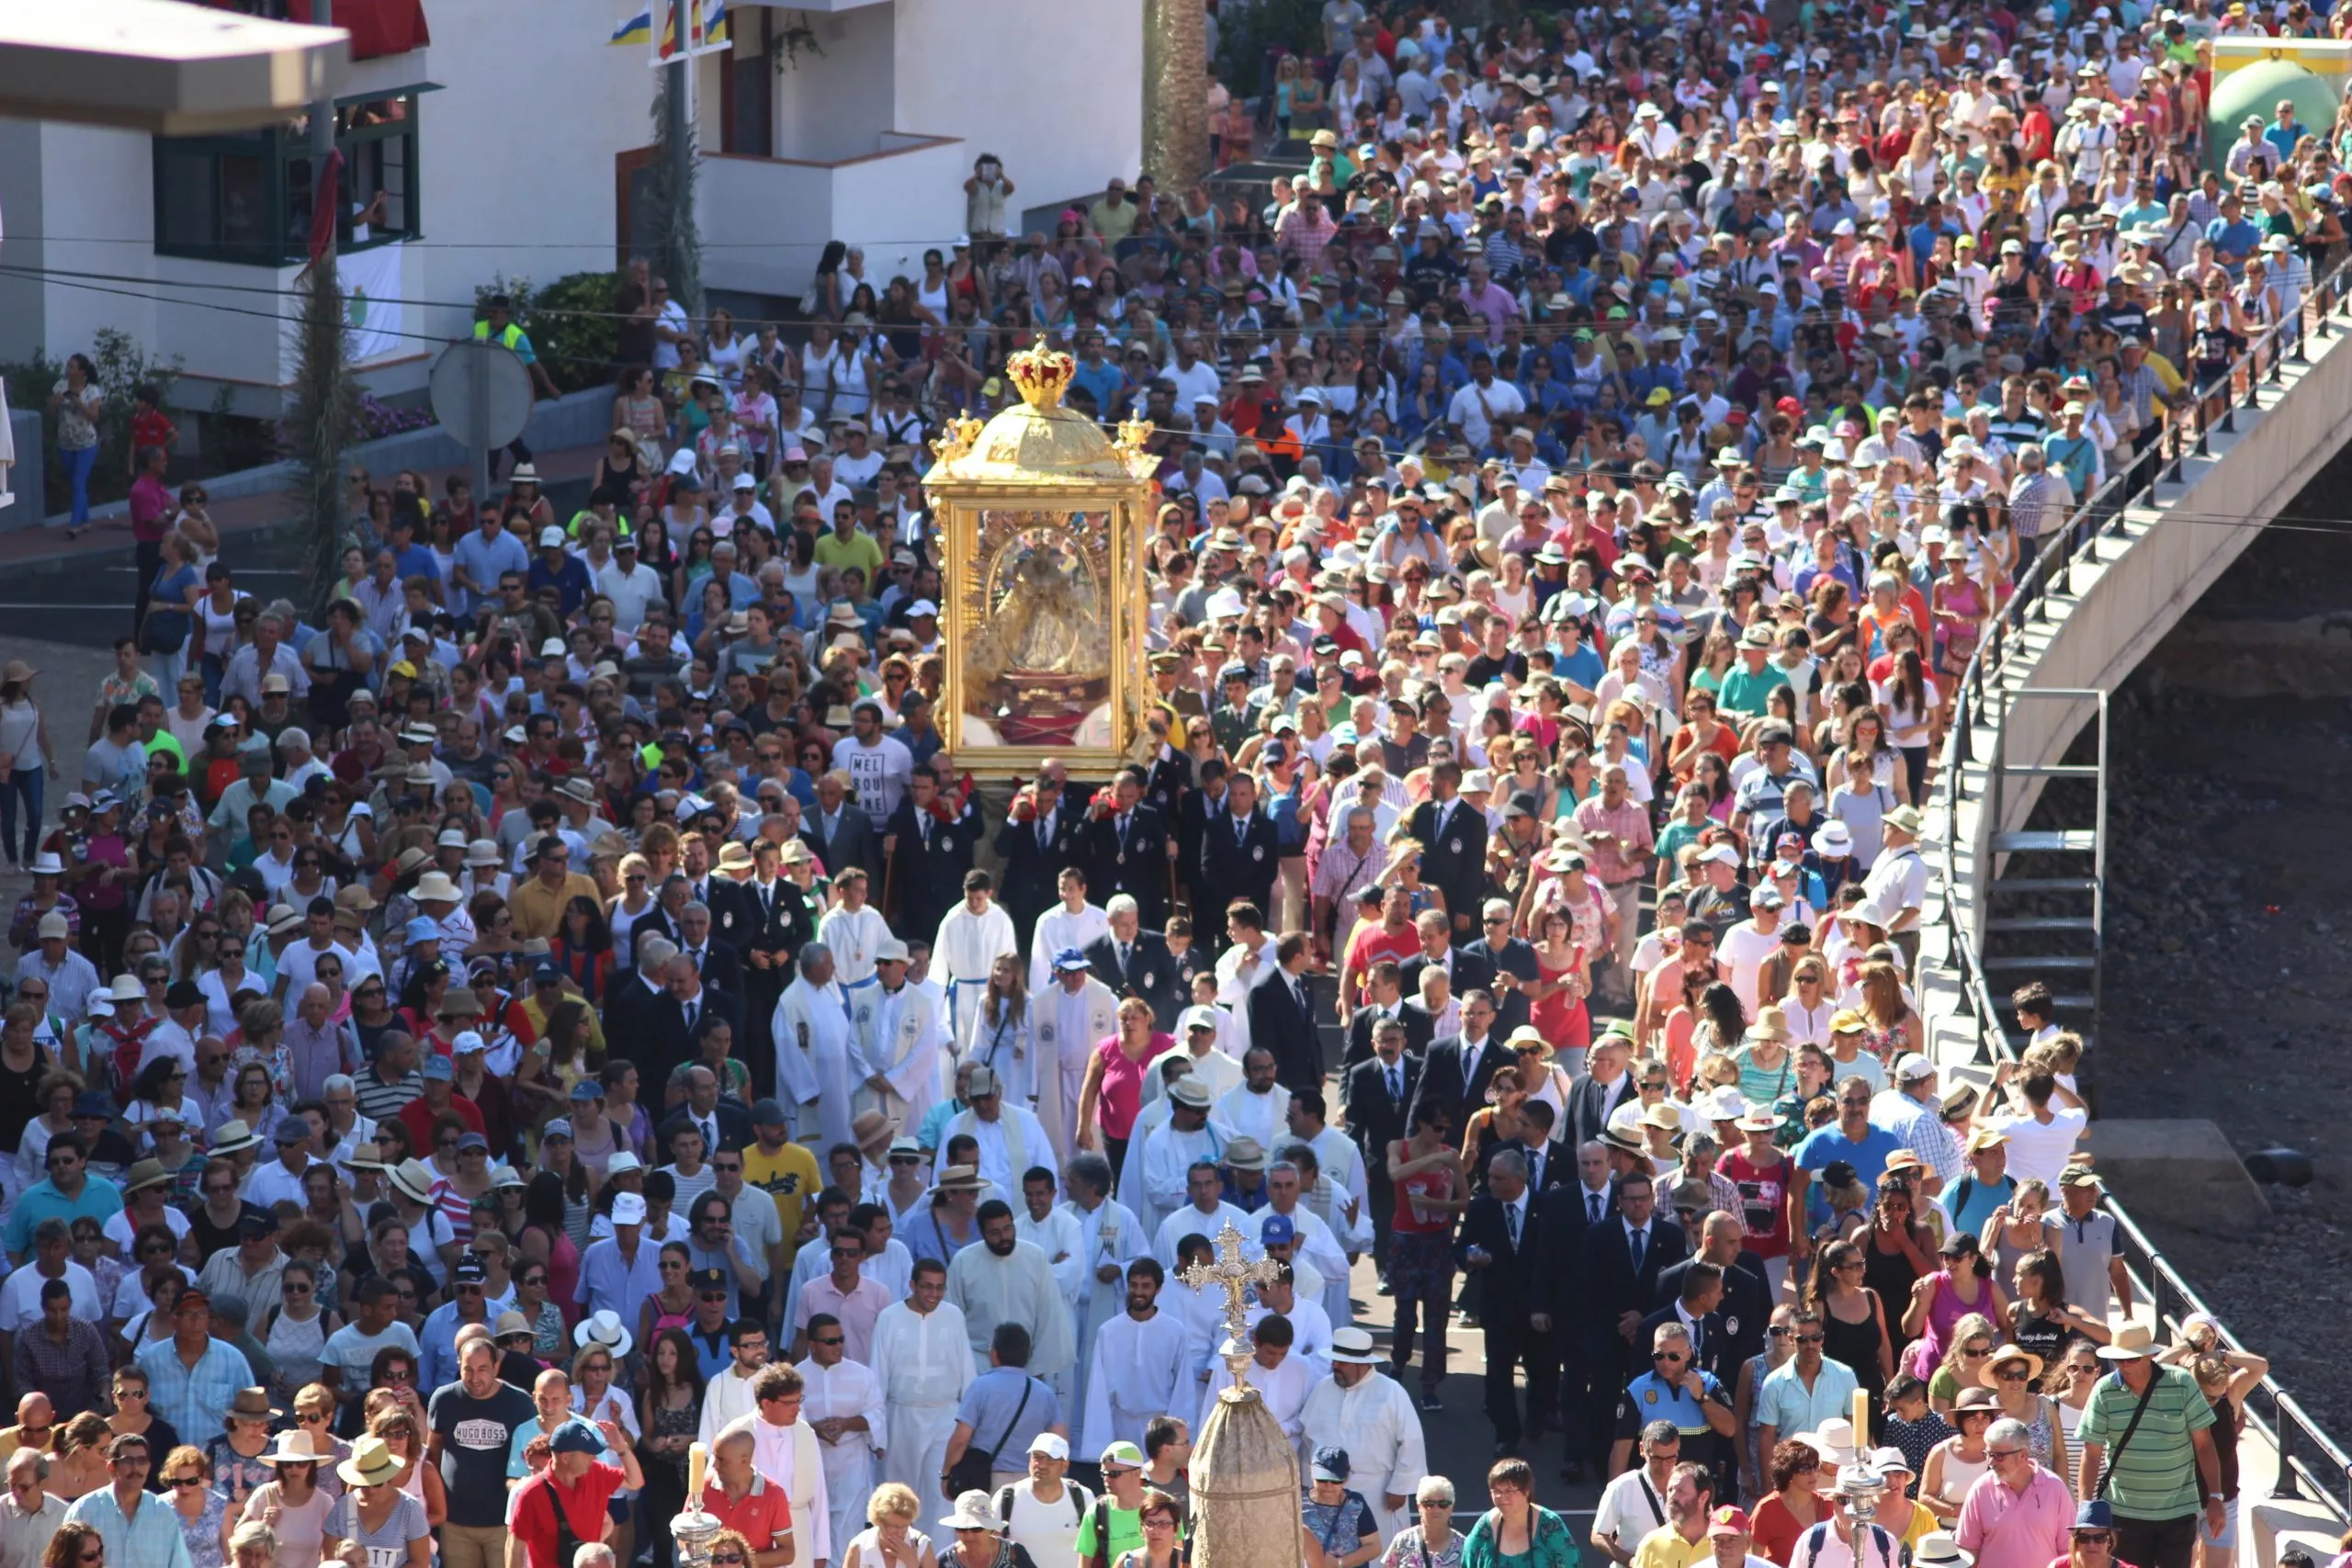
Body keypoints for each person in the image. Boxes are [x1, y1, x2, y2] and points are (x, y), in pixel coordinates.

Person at [1464, 1456, 1577, 1568]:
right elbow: (1467, 1562)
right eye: (1496, 1491)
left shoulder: (1550, 1525)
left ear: (1526, 1491)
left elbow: (1571, 1563)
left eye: (1509, 1491)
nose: (1501, 1496)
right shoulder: (1484, 1527)